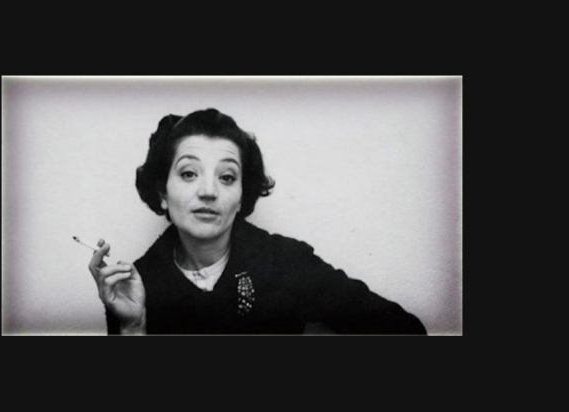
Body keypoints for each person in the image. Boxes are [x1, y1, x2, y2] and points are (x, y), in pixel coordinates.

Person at [88, 108, 426, 335]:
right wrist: (133, 327)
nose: (208, 191)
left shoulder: (287, 262)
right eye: (189, 173)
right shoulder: (135, 284)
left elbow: (405, 331)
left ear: (241, 196)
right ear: (163, 192)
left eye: (227, 177)